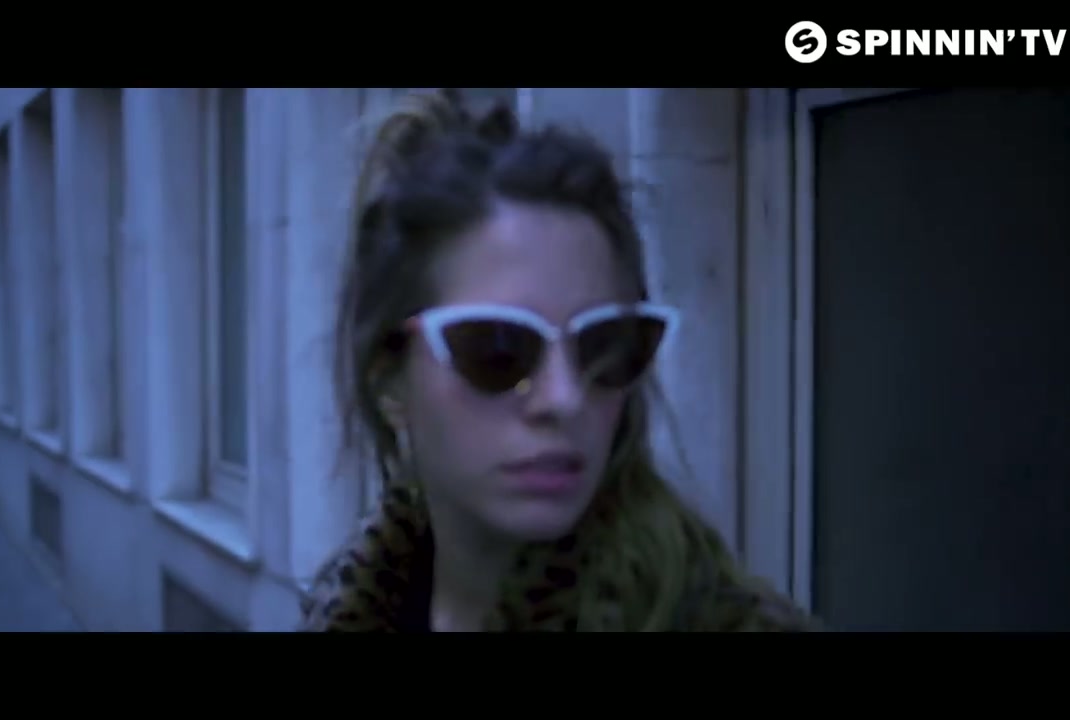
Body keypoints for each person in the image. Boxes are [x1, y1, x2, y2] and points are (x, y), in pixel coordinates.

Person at [300, 88, 818, 632]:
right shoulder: (352, 608)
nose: (565, 399)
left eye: (604, 346)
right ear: (389, 382)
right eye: (499, 350)